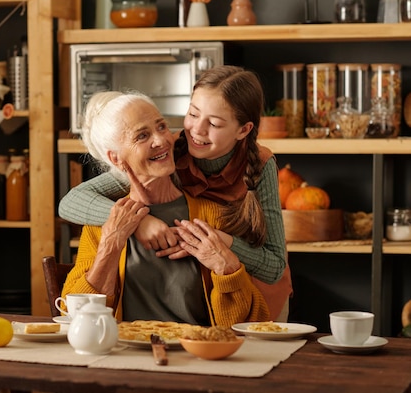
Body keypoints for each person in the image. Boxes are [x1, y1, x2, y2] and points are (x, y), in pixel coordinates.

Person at [59, 65, 292, 321]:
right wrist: (138, 223)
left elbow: (271, 270)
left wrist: (222, 246)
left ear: (243, 130)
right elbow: (71, 202)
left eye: (214, 123)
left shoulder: (258, 165)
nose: (197, 131)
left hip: (256, 285)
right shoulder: (177, 147)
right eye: (192, 114)